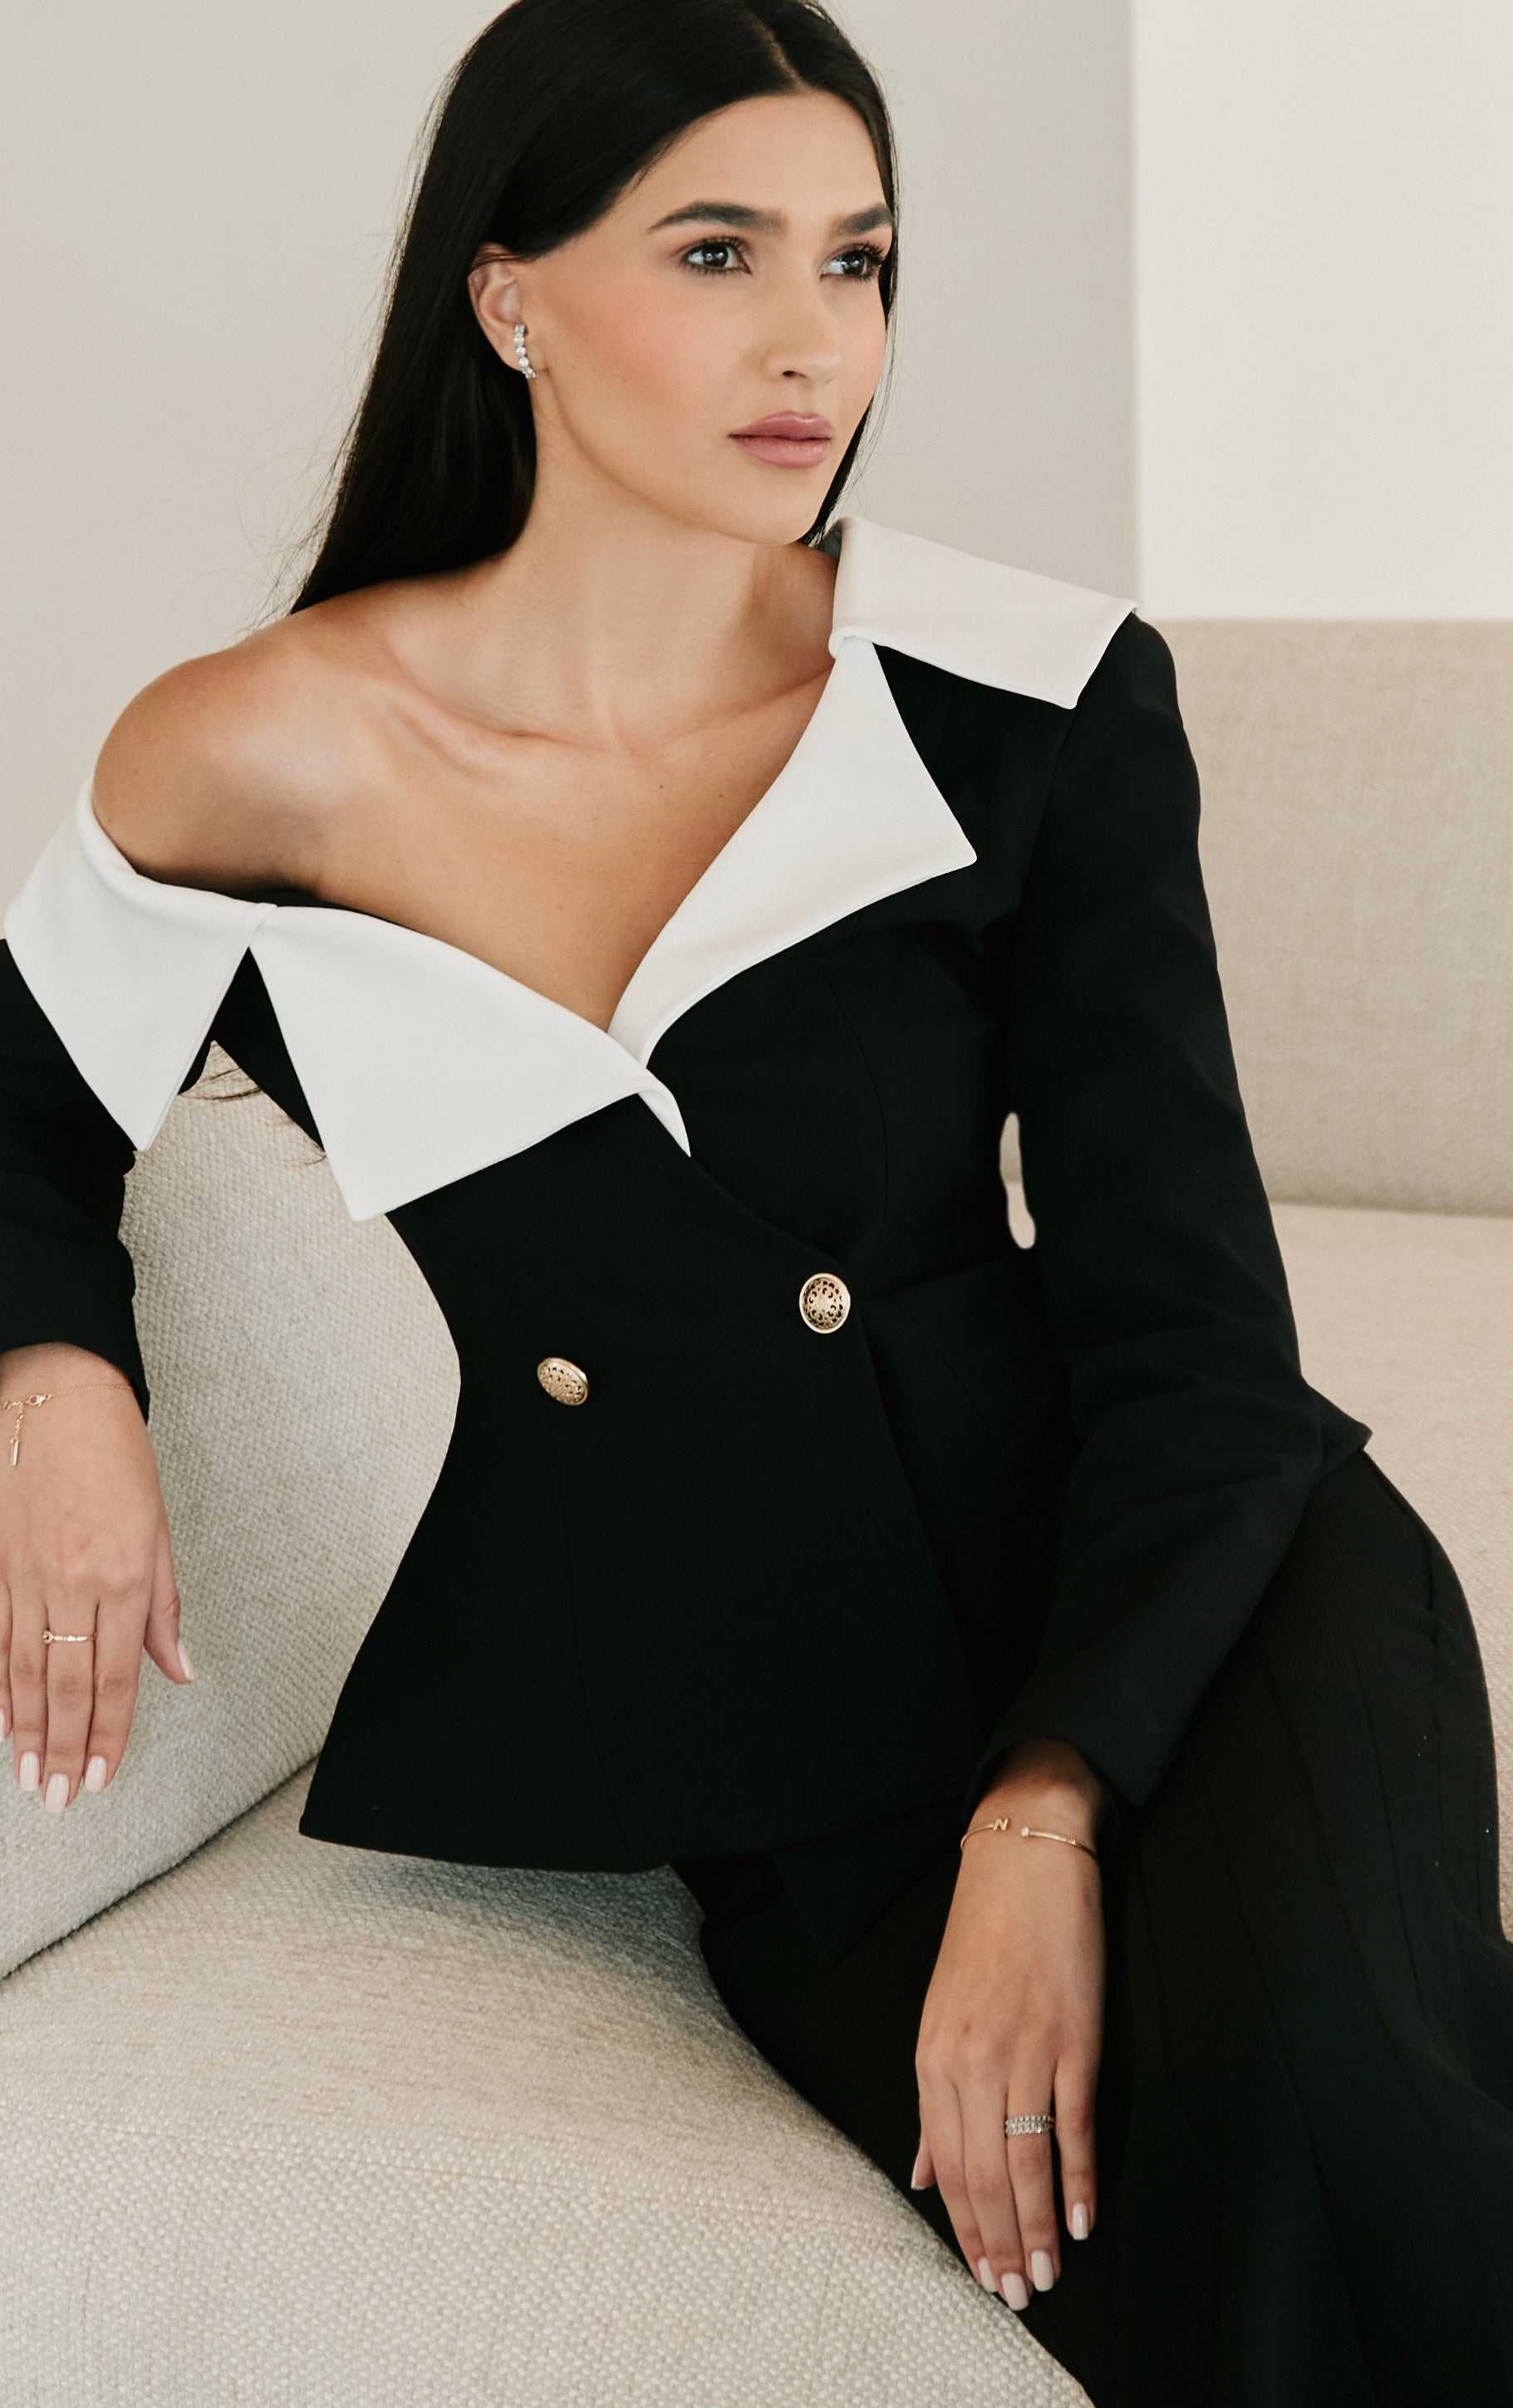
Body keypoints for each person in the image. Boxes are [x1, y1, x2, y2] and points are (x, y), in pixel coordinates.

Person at [2, 2, 1510, 2399]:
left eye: (859, 258)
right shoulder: (263, 749)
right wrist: (58, 1374)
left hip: (1191, 1610)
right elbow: (20, 1096)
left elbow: (1196, 1342)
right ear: (510, 297)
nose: (818, 340)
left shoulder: (1025, 696)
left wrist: (1050, 1808)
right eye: (720, 252)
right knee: (1169, 2227)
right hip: (771, 1734)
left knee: (1366, 2124)